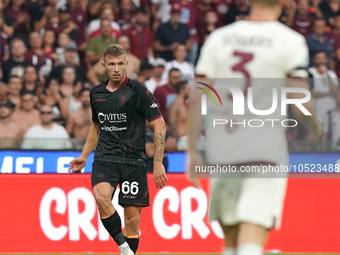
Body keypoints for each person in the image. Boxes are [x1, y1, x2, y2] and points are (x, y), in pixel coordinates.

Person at [188, 0, 323, 254]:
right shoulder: (289, 40)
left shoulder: (219, 38)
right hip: (264, 149)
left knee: (231, 240)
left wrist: (193, 149)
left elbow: (197, 96)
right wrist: (314, 124)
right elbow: (298, 96)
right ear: (284, 2)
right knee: (252, 232)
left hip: (222, 149)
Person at [68, 44, 167, 255]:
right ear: (103, 65)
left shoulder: (138, 90)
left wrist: (157, 163)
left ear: (126, 64)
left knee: (132, 220)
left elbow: (159, 124)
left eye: (120, 64)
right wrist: (84, 156)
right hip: (106, 156)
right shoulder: (96, 94)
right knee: (101, 197)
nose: (116, 68)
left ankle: (128, 250)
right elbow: (96, 126)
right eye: (111, 64)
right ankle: (124, 248)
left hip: (134, 160)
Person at [309, 50, 339, 124]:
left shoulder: (331, 74)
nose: (321, 61)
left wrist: (326, 75)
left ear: (326, 60)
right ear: (314, 60)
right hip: (316, 110)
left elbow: (335, 92)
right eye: (318, 58)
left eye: (323, 58)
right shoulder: (310, 73)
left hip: (331, 110)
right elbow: (311, 94)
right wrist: (329, 94)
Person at [167, 81, 190, 148]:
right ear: (182, 91)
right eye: (188, 90)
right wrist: (177, 141)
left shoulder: (184, 105)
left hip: (187, 140)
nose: (190, 92)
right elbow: (172, 124)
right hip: (180, 141)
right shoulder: (174, 106)